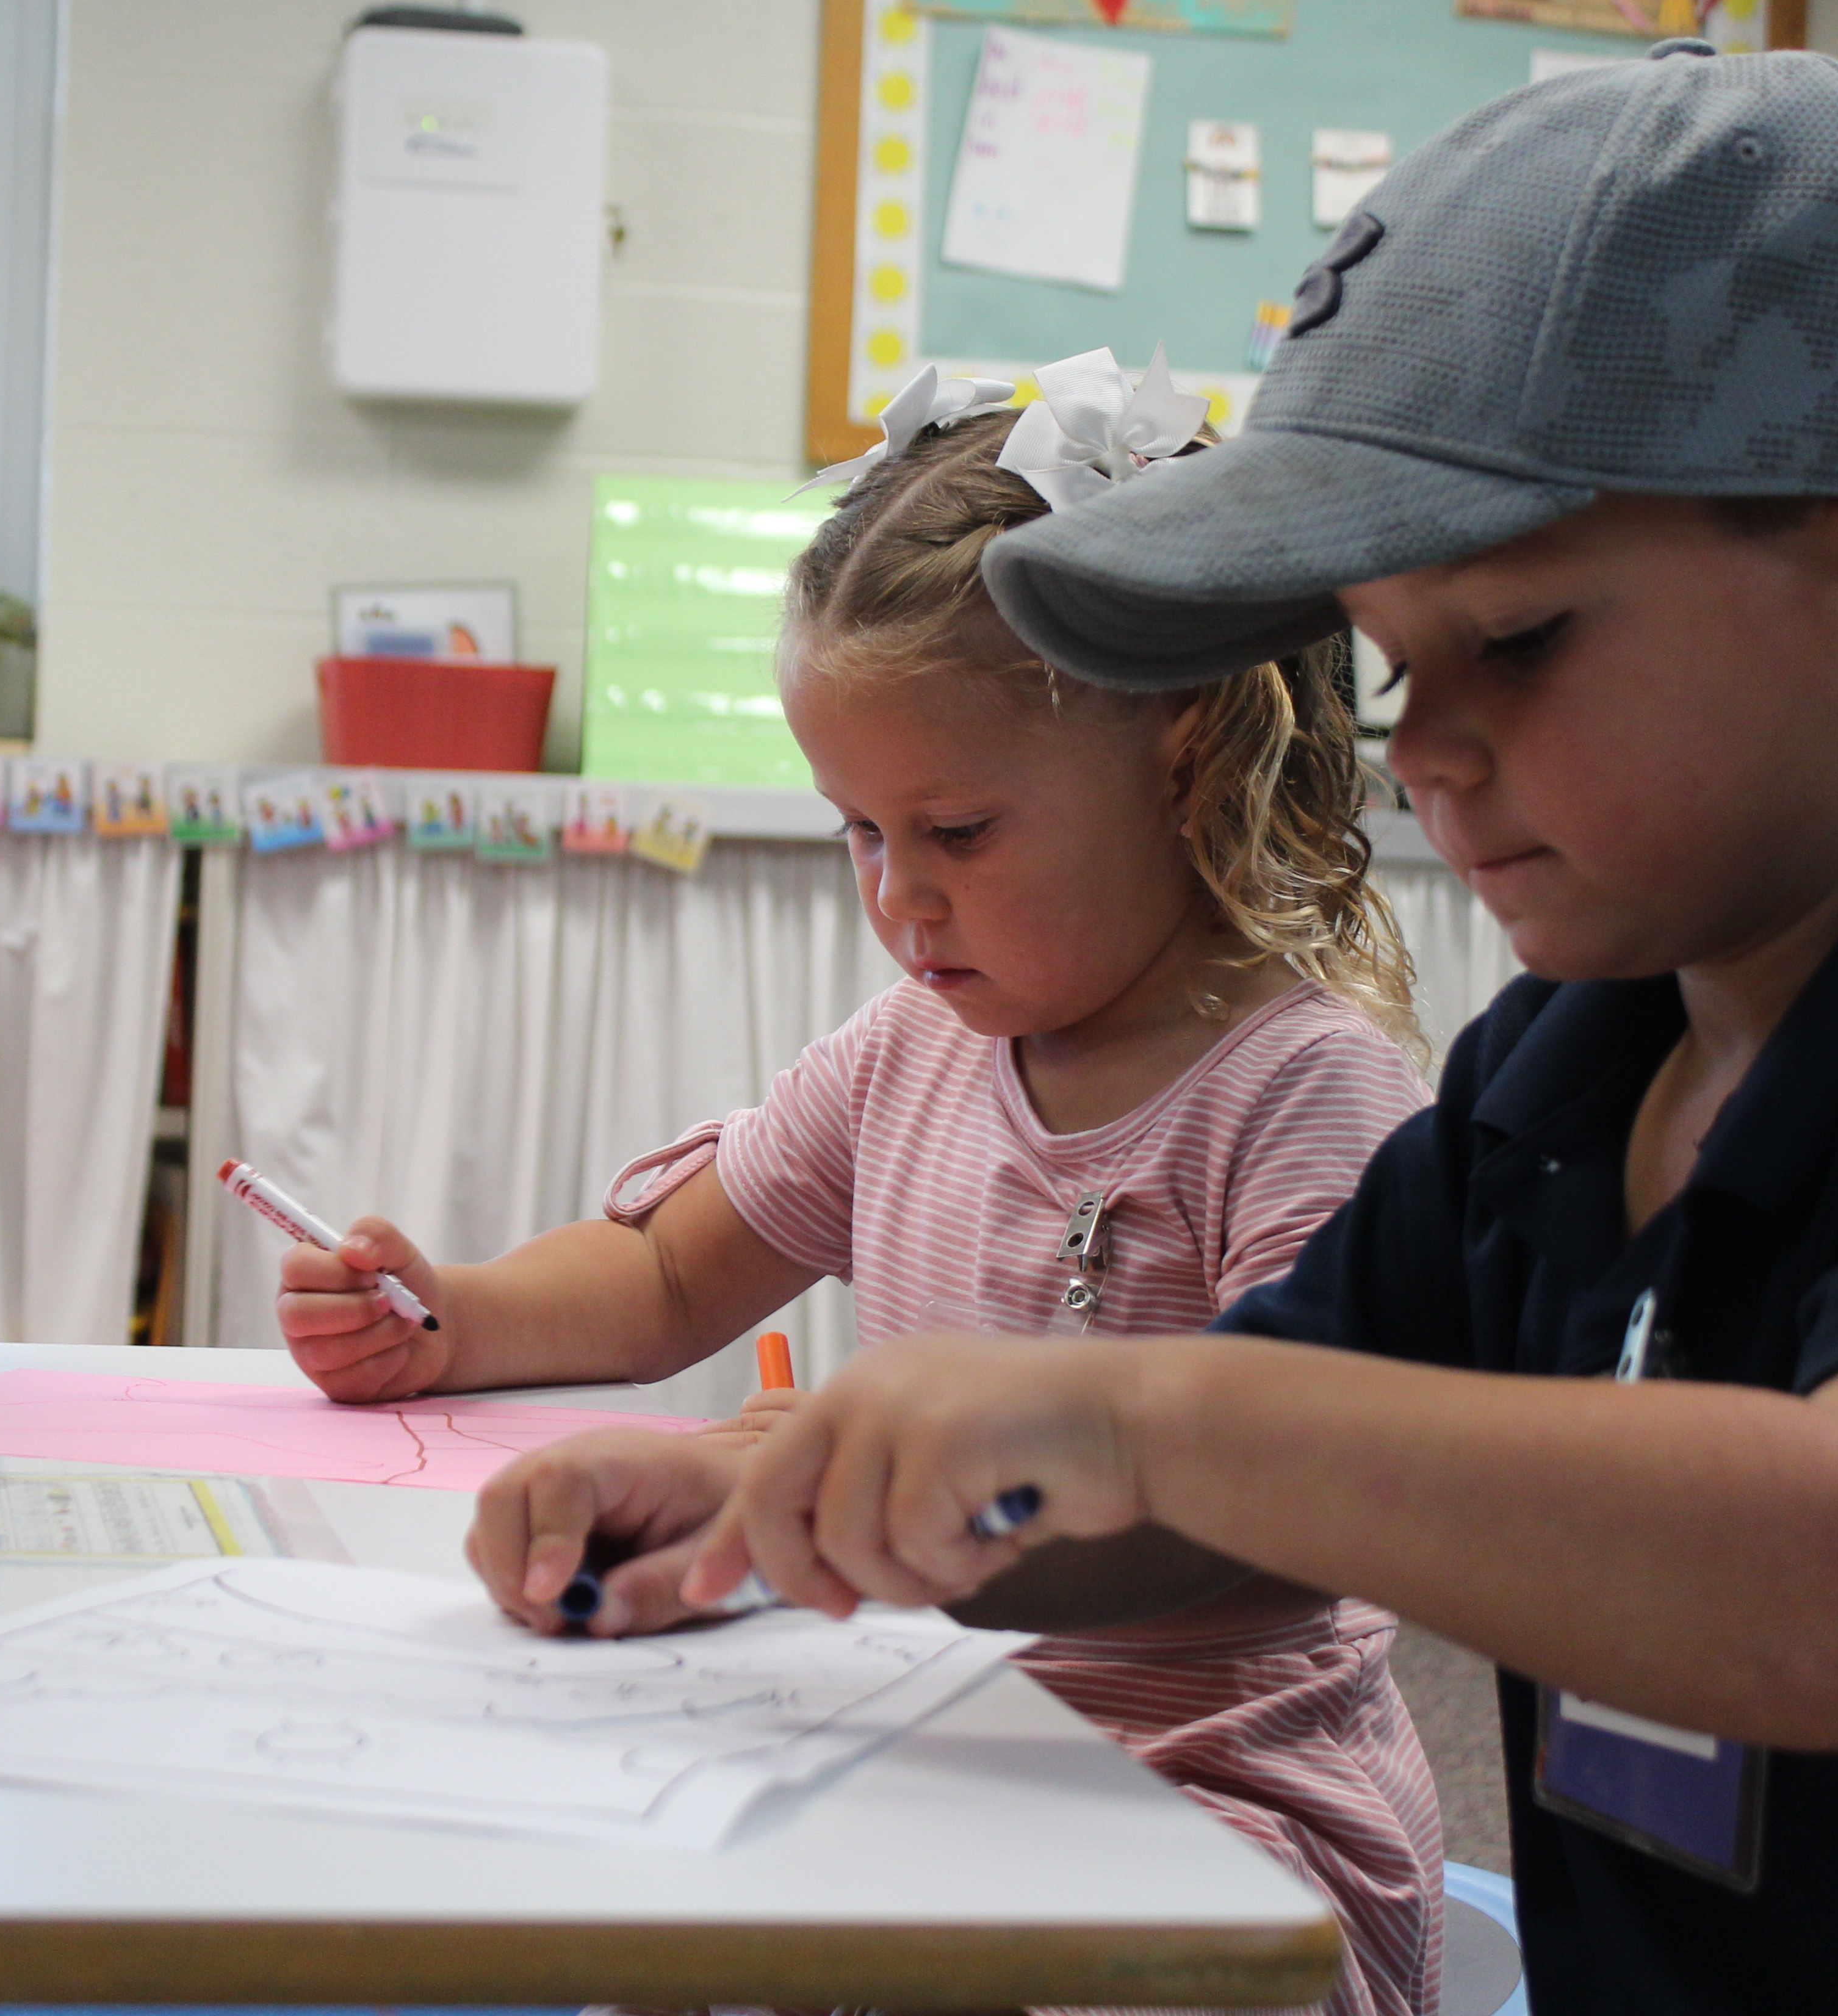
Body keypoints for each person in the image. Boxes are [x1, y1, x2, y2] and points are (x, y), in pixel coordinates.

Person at [474, 43, 1838, 2011]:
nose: (1421, 752)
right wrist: (809, 1509)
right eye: (1394, 662)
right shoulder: (1549, 1089)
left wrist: (1124, 1406)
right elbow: (1217, 1528)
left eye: (1510, 639)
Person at [279, 369, 1444, 2016]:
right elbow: (674, 1282)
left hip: (1217, 1817)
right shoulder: (913, 1049)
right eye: (860, 833)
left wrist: (842, 1522)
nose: (902, 900)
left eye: (957, 830)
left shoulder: (1306, 1094)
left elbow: (1277, 1526)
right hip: (926, 1746)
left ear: (1187, 764)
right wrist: (457, 1321)